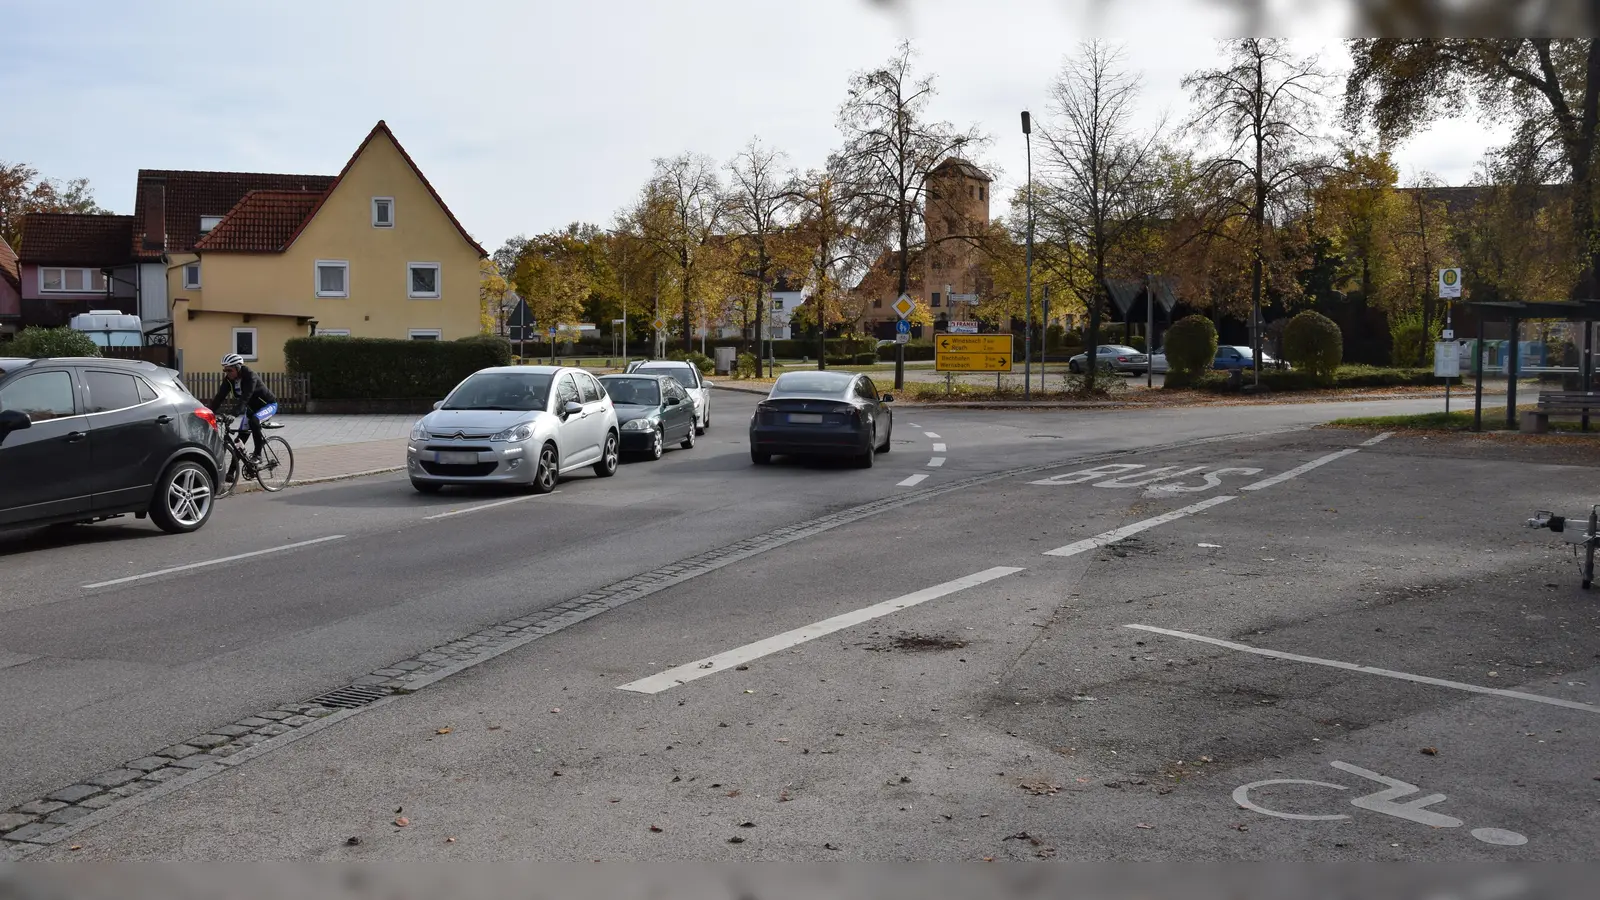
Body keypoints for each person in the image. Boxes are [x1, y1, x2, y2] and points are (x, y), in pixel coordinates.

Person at [212, 353, 277, 462]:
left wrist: (233, 414)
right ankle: (231, 473)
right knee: (239, 441)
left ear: (238, 368)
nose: (227, 373)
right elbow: (219, 397)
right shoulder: (229, 380)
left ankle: (258, 455)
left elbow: (245, 397)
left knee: (254, 421)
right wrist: (209, 412)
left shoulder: (250, 376)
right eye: (225, 370)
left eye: (230, 370)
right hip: (251, 409)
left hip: (268, 405)